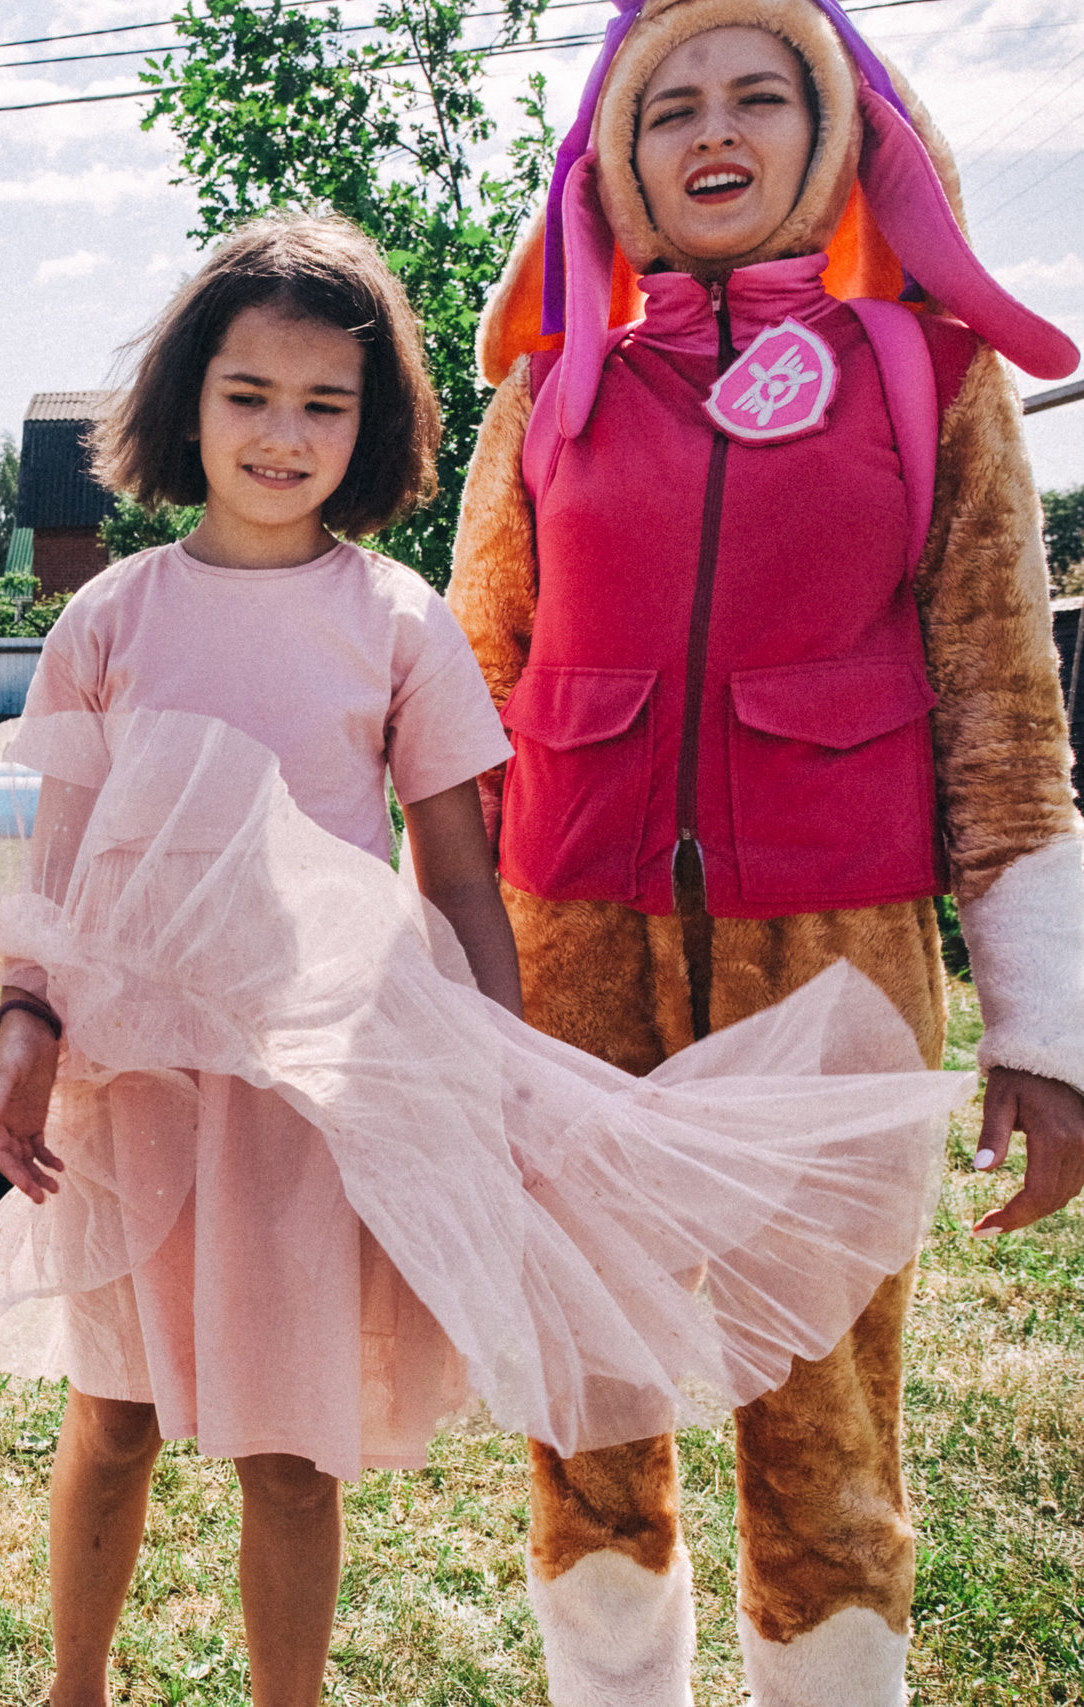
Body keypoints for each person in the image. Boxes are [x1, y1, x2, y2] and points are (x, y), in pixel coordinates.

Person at [0, 213, 967, 1707]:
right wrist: (26, 1020)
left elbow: (460, 873)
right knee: (118, 1411)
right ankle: (72, 1685)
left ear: (377, 420)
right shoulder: (111, 616)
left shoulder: (395, 620)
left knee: (291, 1441)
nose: (283, 434)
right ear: (184, 401)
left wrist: (493, 1068)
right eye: (249, 394)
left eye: (324, 403)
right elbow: (61, 867)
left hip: (315, 1094)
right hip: (139, 1083)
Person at [448, 0, 1082, 1698]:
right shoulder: (553, 384)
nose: (714, 132)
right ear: (618, 157)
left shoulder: (931, 373)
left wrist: (1046, 1033)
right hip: (569, 956)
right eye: (673, 107)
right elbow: (469, 683)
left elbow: (1008, 708)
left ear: (833, 134)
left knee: (820, 1411)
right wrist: (448, 983)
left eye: (759, 96)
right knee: (587, 1397)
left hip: (838, 962)